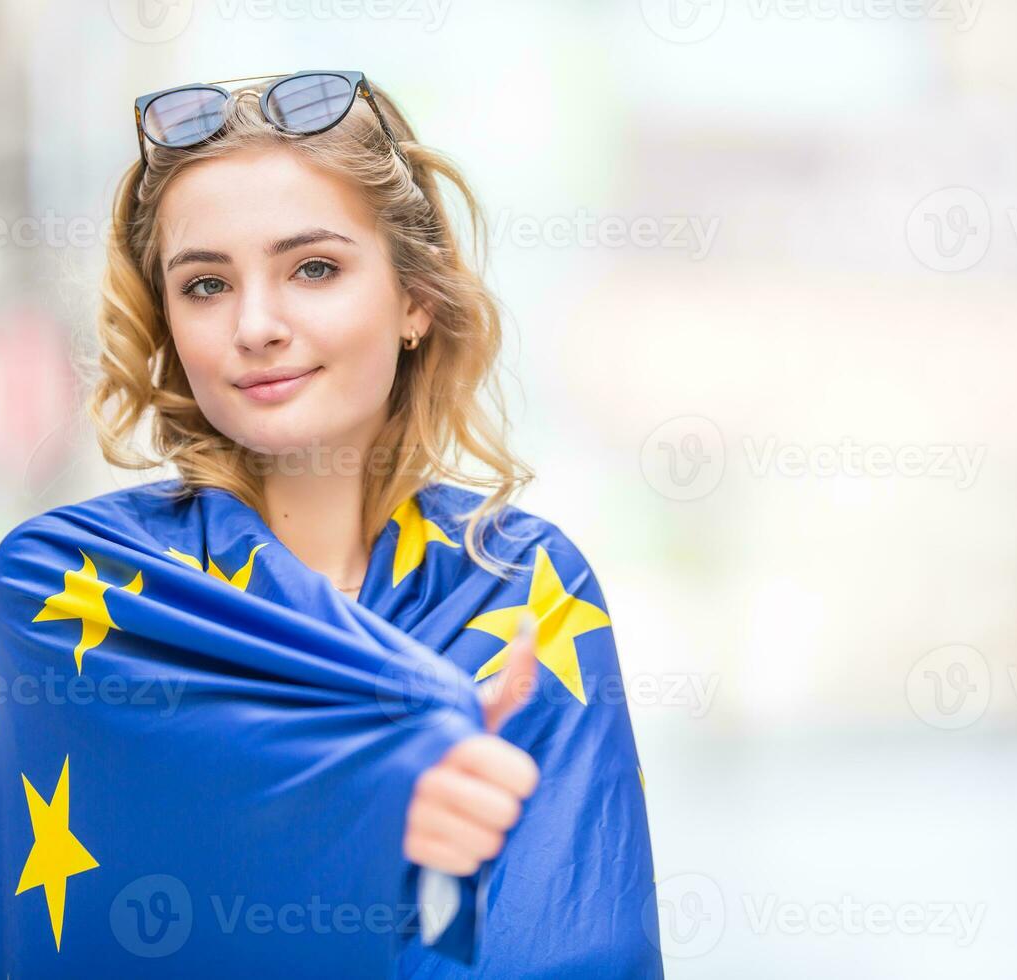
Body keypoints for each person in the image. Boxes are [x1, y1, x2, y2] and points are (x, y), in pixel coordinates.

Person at [45, 70, 660, 975]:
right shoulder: (79, 577)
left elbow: (574, 932)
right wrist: (400, 764)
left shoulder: (527, 585)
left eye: (315, 269)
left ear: (415, 300)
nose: (255, 325)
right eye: (206, 285)